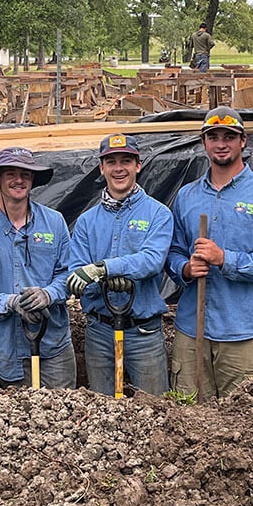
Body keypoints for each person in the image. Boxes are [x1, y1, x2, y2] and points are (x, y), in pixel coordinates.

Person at [165, 107, 253, 399]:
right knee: (188, 414)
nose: (221, 144)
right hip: (191, 332)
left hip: (242, 333)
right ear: (204, 143)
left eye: (229, 137)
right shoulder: (187, 196)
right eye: (213, 137)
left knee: (241, 419)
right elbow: (173, 252)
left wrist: (225, 259)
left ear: (243, 141)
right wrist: (185, 269)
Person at [0, 147, 75, 388]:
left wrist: (48, 294)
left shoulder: (54, 223)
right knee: (18, 411)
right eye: (10, 173)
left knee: (64, 406)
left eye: (25, 174)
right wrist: (10, 302)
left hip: (54, 346)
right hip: (8, 350)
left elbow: (67, 273)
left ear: (32, 179)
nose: (19, 180)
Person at [67, 133, 173, 396]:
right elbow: (78, 271)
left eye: (126, 161)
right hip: (100, 334)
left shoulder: (158, 214)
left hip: (144, 333)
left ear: (138, 166)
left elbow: (152, 260)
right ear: (101, 168)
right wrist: (100, 282)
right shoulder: (87, 221)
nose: (118, 168)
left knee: (153, 408)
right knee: (104, 410)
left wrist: (105, 269)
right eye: (111, 162)